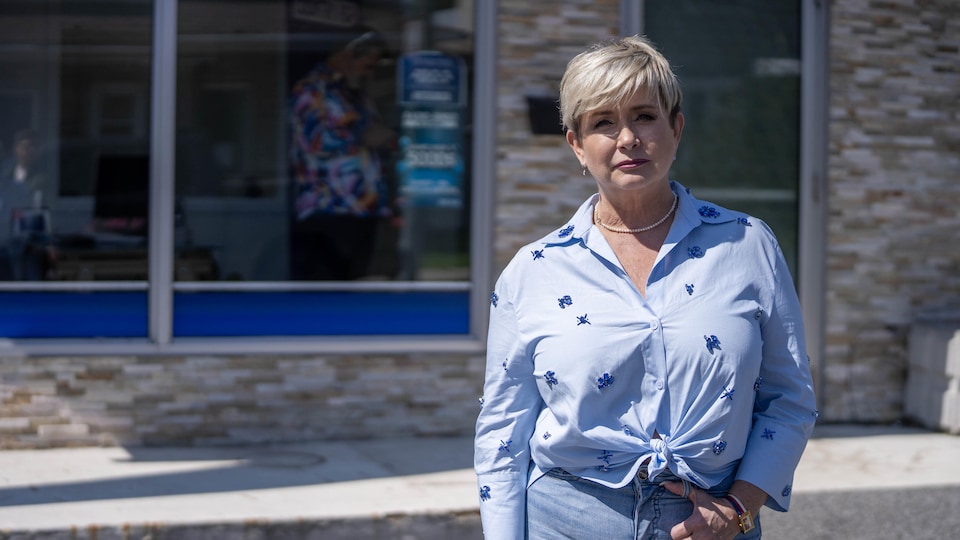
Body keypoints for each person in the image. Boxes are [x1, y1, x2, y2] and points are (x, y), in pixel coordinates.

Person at [474, 35, 817, 539]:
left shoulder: (748, 245)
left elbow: (790, 398)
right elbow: (502, 433)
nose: (627, 138)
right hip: (566, 521)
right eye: (603, 123)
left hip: (713, 520)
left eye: (645, 116)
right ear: (576, 144)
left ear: (676, 128)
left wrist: (740, 509)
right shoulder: (533, 271)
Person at [287, 30, 397, 280]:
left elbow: (377, 135)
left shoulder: (356, 94)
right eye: (366, 65)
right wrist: (363, 136)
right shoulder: (311, 91)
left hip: (361, 210)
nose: (368, 73)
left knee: (353, 287)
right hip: (328, 210)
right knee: (325, 292)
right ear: (347, 56)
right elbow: (314, 141)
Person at [0, 129, 53, 280]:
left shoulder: (42, 179)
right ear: (15, 149)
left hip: (29, 239)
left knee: (29, 277)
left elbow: (45, 211)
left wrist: (48, 242)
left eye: (33, 146)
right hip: (6, 241)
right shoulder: (6, 176)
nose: (28, 151)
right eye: (24, 146)